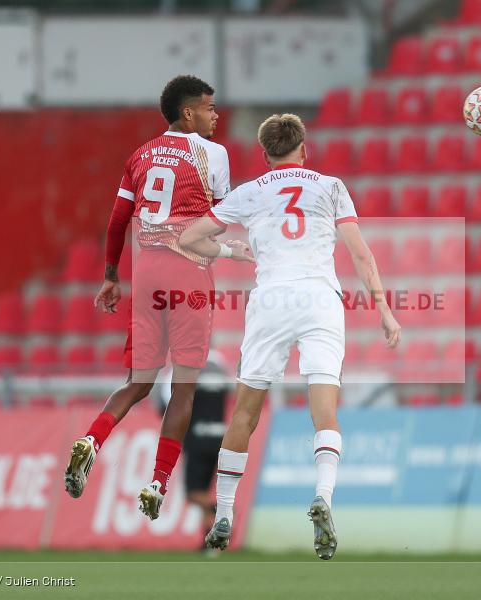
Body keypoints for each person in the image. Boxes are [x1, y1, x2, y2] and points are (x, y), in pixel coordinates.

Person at [179, 113, 401, 560]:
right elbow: (360, 251)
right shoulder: (331, 186)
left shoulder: (249, 193)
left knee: (244, 413)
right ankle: (323, 496)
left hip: (271, 300)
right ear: (305, 149)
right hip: (320, 298)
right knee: (325, 411)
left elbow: (189, 237)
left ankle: (223, 513)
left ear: (265, 155)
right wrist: (383, 309)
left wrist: (231, 252)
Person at [63, 75, 251, 523]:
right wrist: (230, 251)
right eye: (208, 107)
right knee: (184, 388)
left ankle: (91, 439)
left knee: (138, 382)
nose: (215, 114)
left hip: (145, 276)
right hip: (189, 273)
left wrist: (110, 276)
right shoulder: (214, 154)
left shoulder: (139, 155)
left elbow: (116, 221)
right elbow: (216, 223)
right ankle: (158, 482)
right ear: (188, 113)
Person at [153, 352, 230, 546]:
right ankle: (209, 543)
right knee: (205, 490)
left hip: (196, 438)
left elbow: (165, 405)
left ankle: (219, 510)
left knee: (193, 493)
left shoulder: (179, 370)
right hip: (220, 438)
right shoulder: (220, 368)